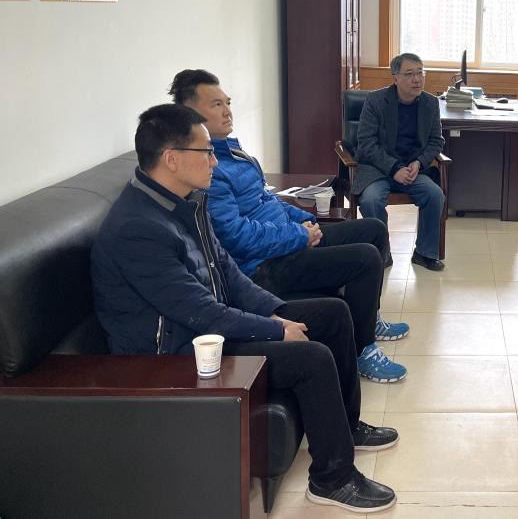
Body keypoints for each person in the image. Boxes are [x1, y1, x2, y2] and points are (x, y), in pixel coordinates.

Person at [91, 104, 399, 513]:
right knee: (311, 357)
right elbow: (199, 311)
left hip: (207, 331)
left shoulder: (185, 202)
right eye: (206, 152)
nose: (215, 161)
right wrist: (275, 330)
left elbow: (229, 274)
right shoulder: (138, 229)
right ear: (171, 158)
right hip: (178, 353)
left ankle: (347, 425)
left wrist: (274, 311)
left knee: (333, 314)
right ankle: (332, 479)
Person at [169, 69, 408, 383]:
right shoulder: (206, 170)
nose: (227, 111)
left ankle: (369, 319)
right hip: (263, 265)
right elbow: (236, 238)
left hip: (286, 240)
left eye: (228, 102)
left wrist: (303, 221)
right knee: (365, 258)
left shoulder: (234, 153)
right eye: (216, 105)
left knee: (373, 228)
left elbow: (267, 200)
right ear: (191, 116)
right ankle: (363, 349)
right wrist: (298, 236)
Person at [354, 52, 446, 271]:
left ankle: (425, 253)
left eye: (420, 73)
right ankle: (381, 252)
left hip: (412, 170)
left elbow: (436, 141)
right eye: (409, 74)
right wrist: (394, 168)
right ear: (395, 78)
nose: (417, 79)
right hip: (378, 169)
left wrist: (419, 162)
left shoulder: (430, 103)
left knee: (434, 195)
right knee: (371, 200)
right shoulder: (376, 101)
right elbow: (366, 143)